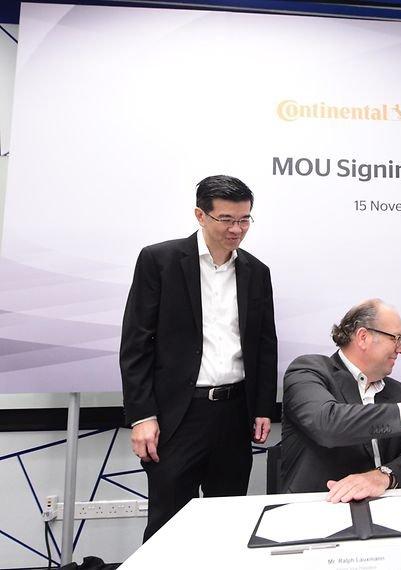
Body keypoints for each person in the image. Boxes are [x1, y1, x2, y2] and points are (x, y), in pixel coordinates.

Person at [120, 175, 277, 541]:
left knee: (227, 524)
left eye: (244, 219)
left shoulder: (256, 271)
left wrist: (263, 408)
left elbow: (264, 344)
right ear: (200, 215)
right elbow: (136, 344)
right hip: (179, 416)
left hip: (234, 415)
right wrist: (142, 416)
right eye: (227, 219)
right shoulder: (160, 260)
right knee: (169, 526)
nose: (236, 229)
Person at [279, 299, 401, 502]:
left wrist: (383, 477)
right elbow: (326, 424)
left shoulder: (396, 391)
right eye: (396, 338)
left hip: (385, 509)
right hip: (319, 507)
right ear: (363, 337)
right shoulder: (308, 371)